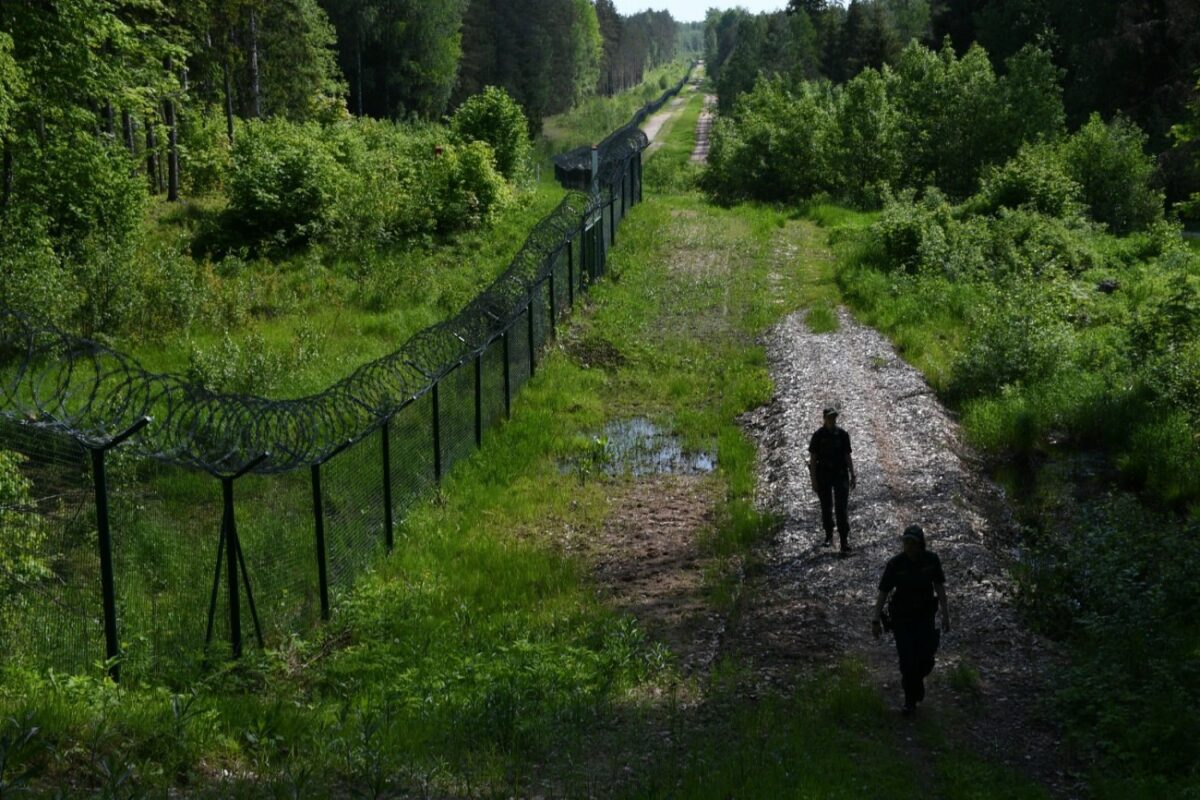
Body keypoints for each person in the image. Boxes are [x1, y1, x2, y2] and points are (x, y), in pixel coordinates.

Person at [872, 525, 951, 715]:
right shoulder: (895, 564)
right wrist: (875, 619)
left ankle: (917, 683)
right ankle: (910, 701)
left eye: (913, 543)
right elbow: (883, 592)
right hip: (902, 617)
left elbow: (939, 587)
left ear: (920, 544)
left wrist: (945, 613)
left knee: (925, 659)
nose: (909, 546)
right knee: (907, 659)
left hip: (925, 616)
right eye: (906, 542)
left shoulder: (931, 560)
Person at [807, 405, 856, 553]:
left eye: (834, 417)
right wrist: (813, 480)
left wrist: (853, 474)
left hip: (840, 474)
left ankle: (844, 541)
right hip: (824, 475)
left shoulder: (842, 435)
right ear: (824, 419)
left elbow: (847, 455)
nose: (832, 420)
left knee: (842, 508)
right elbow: (813, 459)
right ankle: (828, 535)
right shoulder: (818, 436)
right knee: (826, 507)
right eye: (829, 417)